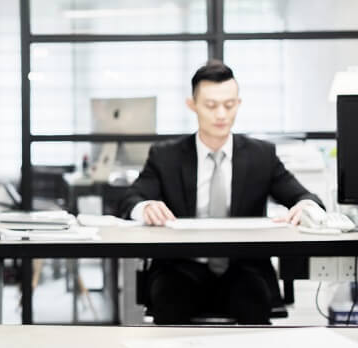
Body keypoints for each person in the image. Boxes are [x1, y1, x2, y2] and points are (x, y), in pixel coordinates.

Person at [117, 60, 324, 325]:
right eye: (211, 105)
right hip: (181, 268)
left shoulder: (262, 155)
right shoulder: (166, 156)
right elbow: (129, 200)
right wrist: (144, 207)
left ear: (239, 103)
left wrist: (305, 207)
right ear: (192, 105)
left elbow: (306, 198)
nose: (221, 115)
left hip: (243, 268)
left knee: (253, 300)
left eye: (229, 105)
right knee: (169, 300)